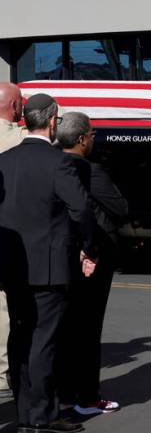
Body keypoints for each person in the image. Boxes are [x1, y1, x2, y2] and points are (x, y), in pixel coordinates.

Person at [0, 93, 98, 432]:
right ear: (53, 121)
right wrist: (88, 247)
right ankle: (42, 414)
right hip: (50, 267)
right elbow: (81, 209)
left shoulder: (6, 160)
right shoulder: (58, 163)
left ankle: (26, 411)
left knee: (20, 337)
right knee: (44, 341)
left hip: (12, 265)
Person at [55, 113, 128, 415]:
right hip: (92, 255)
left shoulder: (52, 165)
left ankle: (63, 393)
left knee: (63, 328)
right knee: (88, 327)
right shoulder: (89, 170)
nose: (95, 139)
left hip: (59, 255)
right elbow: (120, 207)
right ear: (82, 138)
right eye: (93, 134)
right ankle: (86, 396)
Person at [0, 81, 26, 401]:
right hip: (6, 230)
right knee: (4, 306)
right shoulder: (14, 138)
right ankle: (3, 370)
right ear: (15, 107)